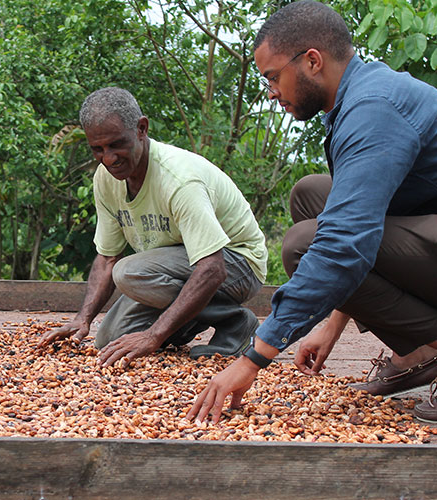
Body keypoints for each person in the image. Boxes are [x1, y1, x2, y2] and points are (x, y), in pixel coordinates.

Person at [187, 0, 437, 425]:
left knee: (306, 245)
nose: (270, 91)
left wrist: (253, 358)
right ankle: (421, 350)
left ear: (312, 61)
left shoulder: (374, 110)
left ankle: (427, 343)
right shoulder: (358, 95)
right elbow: (361, 217)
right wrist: (331, 323)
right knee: (312, 195)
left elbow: (344, 246)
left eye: (272, 77)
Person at [38, 87, 268, 367]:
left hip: (238, 264)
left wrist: (154, 335)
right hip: (179, 267)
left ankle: (235, 321)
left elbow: (213, 267)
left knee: (129, 272)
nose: (109, 158)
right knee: (110, 339)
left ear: (141, 129)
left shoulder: (179, 180)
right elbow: (108, 257)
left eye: (116, 144)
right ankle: (186, 320)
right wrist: (82, 320)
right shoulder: (106, 179)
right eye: (98, 149)